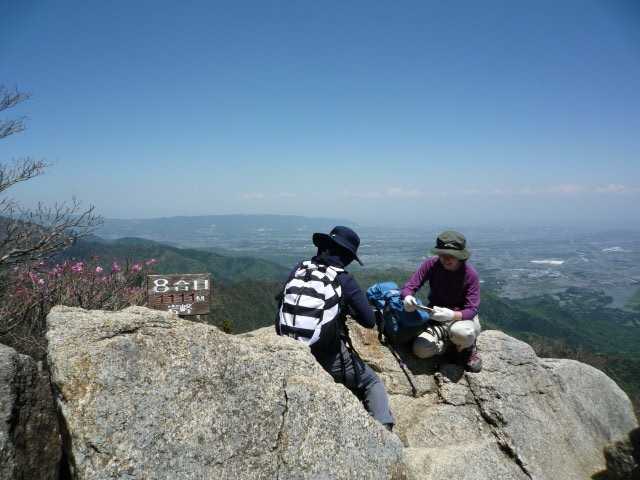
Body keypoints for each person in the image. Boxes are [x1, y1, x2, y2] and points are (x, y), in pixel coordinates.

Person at [276, 226, 395, 430]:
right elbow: (369, 321)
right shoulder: (343, 278)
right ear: (347, 256)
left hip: (286, 348)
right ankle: (384, 431)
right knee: (371, 382)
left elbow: (281, 300)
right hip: (324, 356)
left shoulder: (300, 267)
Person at [401, 230, 482, 372]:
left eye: (451, 255)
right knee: (420, 350)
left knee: (464, 333)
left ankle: (467, 348)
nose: (446, 259)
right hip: (436, 317)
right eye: (442, 254)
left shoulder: (470, 275)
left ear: (460, 256)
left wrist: (452, 315)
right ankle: (449, 347)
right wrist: (407, 298)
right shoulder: (431, 265)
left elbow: (472, 309)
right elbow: (410, 287)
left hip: (461, 319)